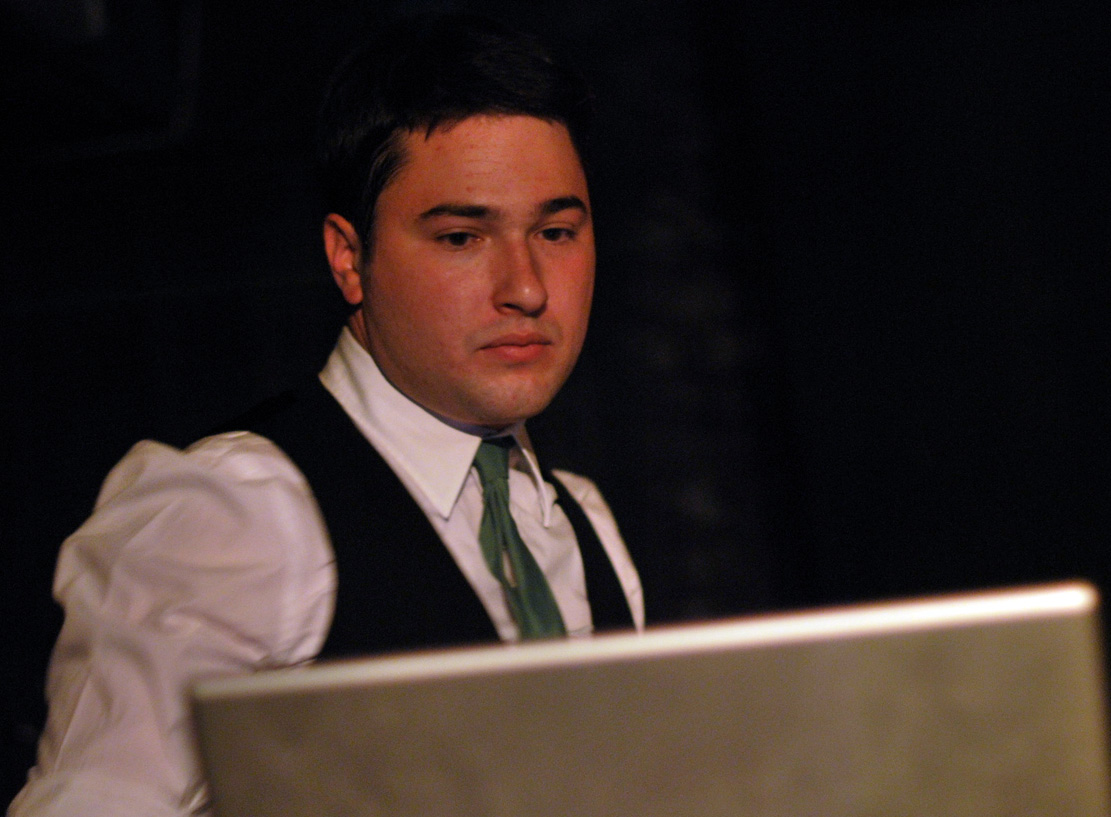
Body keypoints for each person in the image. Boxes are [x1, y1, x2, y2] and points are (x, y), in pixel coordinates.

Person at [10, 14, 644, 817]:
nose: (525, 286)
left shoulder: (578, 519)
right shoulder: (236, 509)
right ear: (349, 257)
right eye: (460, 237)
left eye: (555, 232)